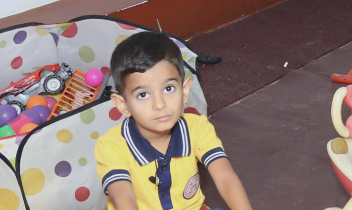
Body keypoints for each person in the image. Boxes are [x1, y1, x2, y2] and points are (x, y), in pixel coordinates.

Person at [96, 32, 253, 210]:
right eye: (143, 94)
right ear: (123, 105)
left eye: (168, 88)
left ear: (185, 91)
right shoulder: (111, 145)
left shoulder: (197, 127)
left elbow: (225, 177)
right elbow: (124, 198)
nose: (159, 104)